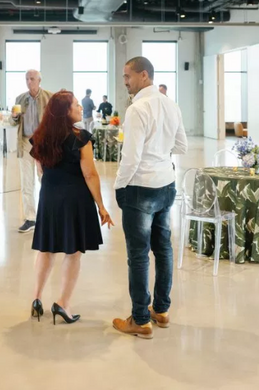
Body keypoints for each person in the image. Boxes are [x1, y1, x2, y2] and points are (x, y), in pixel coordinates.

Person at [113, 57, 188, 339]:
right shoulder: (171, 105)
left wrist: (119, 186)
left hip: (140, 188)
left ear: (144, 75)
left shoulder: (137, 109)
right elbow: (181, 145)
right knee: (163, 249)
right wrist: (159, 152)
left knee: (138, 254)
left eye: (128, 76)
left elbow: (131, 158)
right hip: (166, 184)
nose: (125, 81)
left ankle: (141, 320)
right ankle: (162, 310)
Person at [29, 90, 113, 325]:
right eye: (76, 105)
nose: (80, 108)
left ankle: (36, 299)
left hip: (49, 197)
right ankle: (63, 304)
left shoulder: (40, 137)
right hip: (75, 198)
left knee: (46, 249)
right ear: (65, 111)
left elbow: (41, 170)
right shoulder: (80, 137)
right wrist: (101, 206)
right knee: (73, 252)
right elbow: (90, 174)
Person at [11, 70, 53, 233]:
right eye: (27, 79)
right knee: (26, 182)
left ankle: (47, 215)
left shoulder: (49, 97)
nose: (29, 82)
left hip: (43, 144)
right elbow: (13, 122)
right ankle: (30, 218)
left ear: (39, 80)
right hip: (25, 143)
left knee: (46, 180)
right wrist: (14, 117)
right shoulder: (20, 99)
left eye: (32, 79)